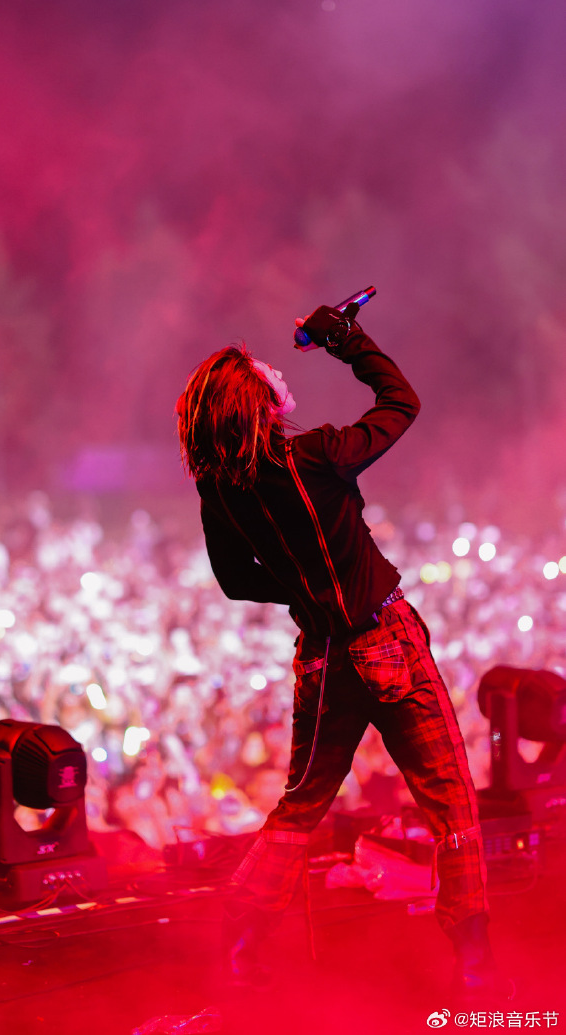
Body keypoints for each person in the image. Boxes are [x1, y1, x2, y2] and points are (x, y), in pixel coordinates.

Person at [176, 301, 507, 1002]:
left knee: (301, 804)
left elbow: (235, 580)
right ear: (262, 402)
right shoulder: (317, 455)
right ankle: (474, 961)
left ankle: (242, 946)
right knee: (451, 798)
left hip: (322, 656)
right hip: (387, 640)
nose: (276, 370)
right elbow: (402, 402)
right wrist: (346, 339)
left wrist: (305, 592)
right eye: (266, 372)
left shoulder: (219, 490)